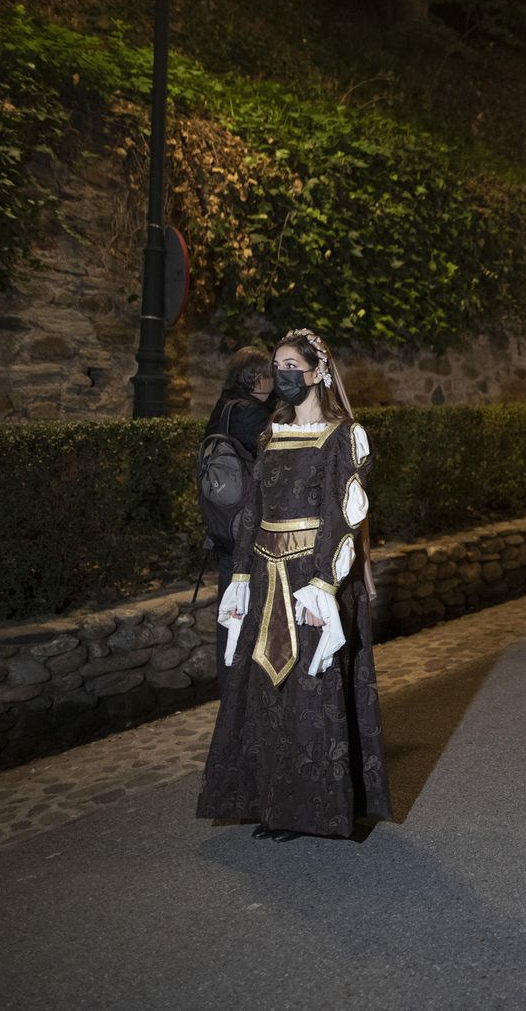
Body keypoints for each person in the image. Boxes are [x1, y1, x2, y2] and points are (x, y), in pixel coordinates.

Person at [197, 329, 393, 840]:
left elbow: (341, 516)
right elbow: (251, 512)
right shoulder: (269, 435)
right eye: (277, 366)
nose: (283, 375)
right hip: (265, 575)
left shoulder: (341, 436)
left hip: (311, 579)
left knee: (311, 688)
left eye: (292, 367)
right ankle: (271, 804)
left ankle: (312, 810)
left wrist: (325, 588)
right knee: (265, 687)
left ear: (318, 372)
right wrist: (241, 578)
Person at [201, 347, 275, 688]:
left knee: (231, 613)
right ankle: (244, 693)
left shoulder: (223, 408)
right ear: (257, 379)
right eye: (272, 375)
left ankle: (230, 689)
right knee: (250, 613)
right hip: (249, 528)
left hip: (224, 525)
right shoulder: (250, 413)